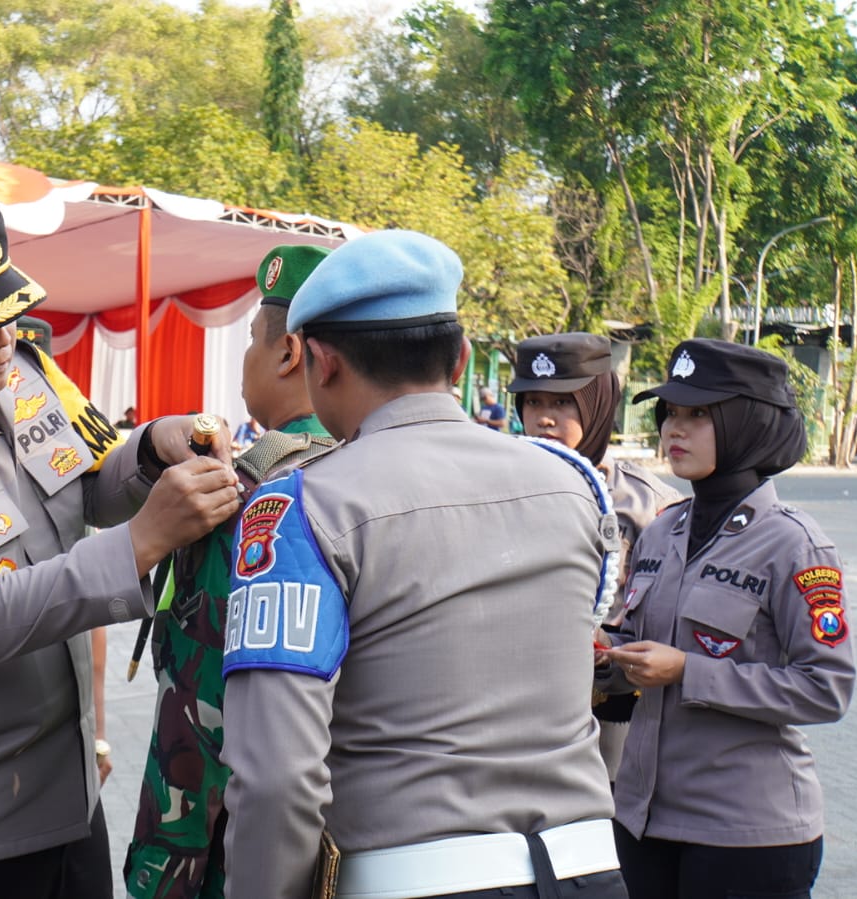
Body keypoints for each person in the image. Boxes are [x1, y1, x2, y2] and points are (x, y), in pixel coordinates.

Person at [0, 187, 242, 899]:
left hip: (71, 800)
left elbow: (92, 483)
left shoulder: (26, 377)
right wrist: (142, 542)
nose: (3, 338)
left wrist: (158, 445)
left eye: (8, 315)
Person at [220, 230, 626, 899]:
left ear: (319, 361)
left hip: (416, 880)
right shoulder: (570, 484)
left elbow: (277, 776)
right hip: (588, 869)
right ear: (461, 359)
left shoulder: (302, 506)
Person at [597, 338, 855, 899]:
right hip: (644, 821)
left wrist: (688, 670)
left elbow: (826, 689)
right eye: (670, 413)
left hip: (745, 835)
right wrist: (605, 654)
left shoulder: (795, 545)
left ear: (747, 424)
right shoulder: (664, 531)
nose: (673, 430)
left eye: (698, 415)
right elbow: (640, 651)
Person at [125, 244, 337, 899]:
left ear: (288, 353)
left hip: (234, 858)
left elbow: (199, 710)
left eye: (252, 339)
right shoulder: (367, 476)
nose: (246, 357)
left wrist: (165, 876)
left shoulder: (249, 499)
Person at [508, 332, 682, 784]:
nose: (545, 419)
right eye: (533, 403)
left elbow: (668, 620)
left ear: (598, 405)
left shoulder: (647, 504)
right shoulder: (495, 488)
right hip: (515, 712)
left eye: (563, 404)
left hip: (612, 718)